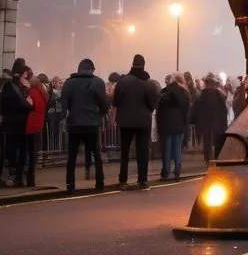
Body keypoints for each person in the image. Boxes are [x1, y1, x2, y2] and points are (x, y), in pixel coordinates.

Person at [60, 57, 108, 192]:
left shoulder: (69, 83)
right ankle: (99, 183)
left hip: (74, 123)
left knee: (72, 156)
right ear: (91, 69)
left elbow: (64, 104)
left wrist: (66, 117)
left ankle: (70, 184)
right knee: (96, 154)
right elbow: (104, 104)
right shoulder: (98, 82)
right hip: (92, 123)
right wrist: (99, 115)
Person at [112, 54, 158, 189]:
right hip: (143, 122)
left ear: (132, 64)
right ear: (144, 65)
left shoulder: (123, 81)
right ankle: (142, 179)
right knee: (142, 150)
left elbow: (116, 101)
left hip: (125, 121)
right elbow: (152, 104)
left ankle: (123, 179)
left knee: (124, 151)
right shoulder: (149, 83)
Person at [0, 58, 33, 188]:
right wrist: (29, 105)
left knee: (22, 152)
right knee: (12, 153)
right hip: (13, 124)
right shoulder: (10, 86)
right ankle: (12, 177)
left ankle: (19, 177)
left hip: (20, 124)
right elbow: (20, 103)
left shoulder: (18, 86)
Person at [156, 74, 189, 180]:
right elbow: (186, 110)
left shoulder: (164, 92)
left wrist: (159, 125)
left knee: (166, 149)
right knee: (177, 148)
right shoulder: (184, 93)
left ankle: (165, 171)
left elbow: (159, 110)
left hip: (166, 124)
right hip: (179, 124)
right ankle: (177, 170)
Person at [190, 74, 228, 162]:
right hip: (217, 122)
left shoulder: (202, 94)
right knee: (216, 142)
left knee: (207, 143)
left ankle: (207, 160)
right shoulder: (218, 94)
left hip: (205, 123)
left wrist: (194, 120)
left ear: (206, 83)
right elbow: (224, 109)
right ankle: (216, 159)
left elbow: (196, 109)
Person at [23, 67, 49, 187]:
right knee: (34, 152)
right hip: (39, 123)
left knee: (28, 152)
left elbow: (30, 107)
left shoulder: (31, 92)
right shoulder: (42, 93)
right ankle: (31, 179)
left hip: (31, 123)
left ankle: (29, 178)